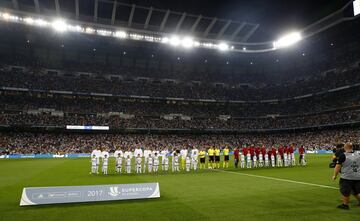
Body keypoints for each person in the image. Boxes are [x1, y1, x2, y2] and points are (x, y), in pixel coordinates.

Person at [332, 143, 360, 209]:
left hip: (347, 177)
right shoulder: (358, 154)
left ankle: (345, 205)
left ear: (345, 148)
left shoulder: (343, 155)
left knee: (345, 191)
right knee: (355, 191)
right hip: (358, 176)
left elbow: (337, 166)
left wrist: (334, 175)